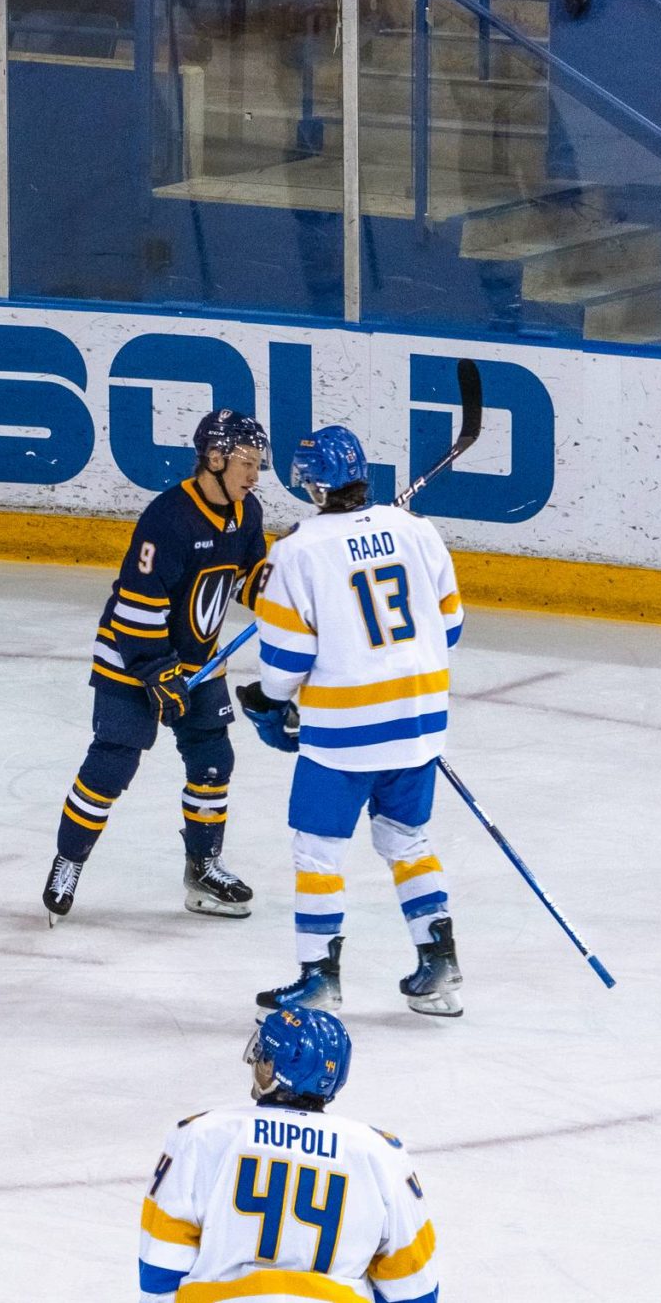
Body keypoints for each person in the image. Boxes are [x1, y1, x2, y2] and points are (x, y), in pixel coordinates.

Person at [240, 426, 466, 1017]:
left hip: (345, 731)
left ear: (312, 486)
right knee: (406, 840)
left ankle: (319, 980)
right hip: (420, 719)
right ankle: (439, 967)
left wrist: (270, 704)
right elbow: (450, 628)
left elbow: (285, 662)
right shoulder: (417, 531)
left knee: (318, 852)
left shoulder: (296, 550)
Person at [44, 410, 271, 924]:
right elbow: (137, 607)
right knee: (113, 763)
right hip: (132, 658)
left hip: (198, 658)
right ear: (214, 459)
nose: (254, 476)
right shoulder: (167, 519)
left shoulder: (245, 512)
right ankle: (69, 861)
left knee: (214, 760)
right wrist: (157, 670)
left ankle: (203, 867)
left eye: (258, 465)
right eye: (246, 464)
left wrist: (297, 590)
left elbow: (250, 578)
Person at [136, 1010, 440, 1303]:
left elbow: (162, 1258)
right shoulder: (381, 1153)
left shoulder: (200, 1134)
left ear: (270, 1068)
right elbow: (413, 1286)